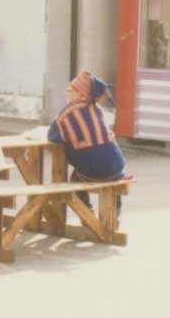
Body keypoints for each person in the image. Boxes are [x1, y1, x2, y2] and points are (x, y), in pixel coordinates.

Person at [48, 71, 127, 213]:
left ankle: (87, 215)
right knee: (114, 178)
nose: (67, 93)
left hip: (93, 171)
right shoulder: (98, 109)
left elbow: (53, 137)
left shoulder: (67, 113)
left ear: (80, 94)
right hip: (117, 167)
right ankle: (115, 216)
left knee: (75, 180)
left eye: (70, 90)